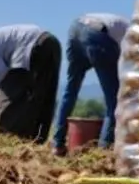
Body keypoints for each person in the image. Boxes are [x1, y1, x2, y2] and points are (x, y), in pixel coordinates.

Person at [53, 13, 129, 156]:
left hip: (76, 28)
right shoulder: (133, 33)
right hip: (98, 35)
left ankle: (57, 144)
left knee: (70, 91)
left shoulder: (121, 24)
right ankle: (104, 149)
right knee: (114, 101)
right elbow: (126, 64)